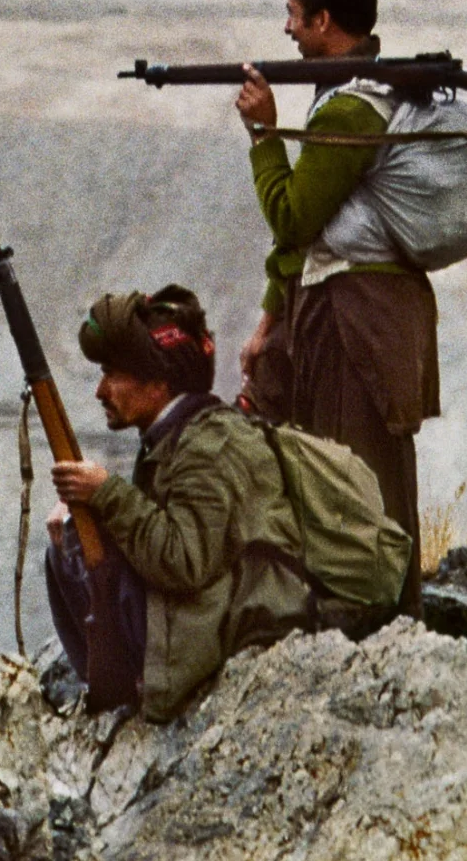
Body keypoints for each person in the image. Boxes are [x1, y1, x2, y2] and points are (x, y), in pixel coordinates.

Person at [235, 0, 436, 601]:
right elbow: (308, 241)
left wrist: (265, 136)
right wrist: (270, 320)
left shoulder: (351, 107)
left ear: (324, 22)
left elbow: (293, 220)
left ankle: (384, 638)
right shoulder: (344, 97)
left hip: (359, 323)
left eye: (294, 16)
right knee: (340, 480)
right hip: (350, 314)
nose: (287, 30)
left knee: (357, 487)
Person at [45, 287, 301, 720]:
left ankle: (132, 687)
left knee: (93, 537)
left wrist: (105, 494)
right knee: (68, 542)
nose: (100, 391)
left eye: (112, 374)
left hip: (231, 621)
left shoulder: (207, 447)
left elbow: (184, 560)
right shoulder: (180, 435)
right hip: (209, 609)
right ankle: (109, 688)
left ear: (158, 382)